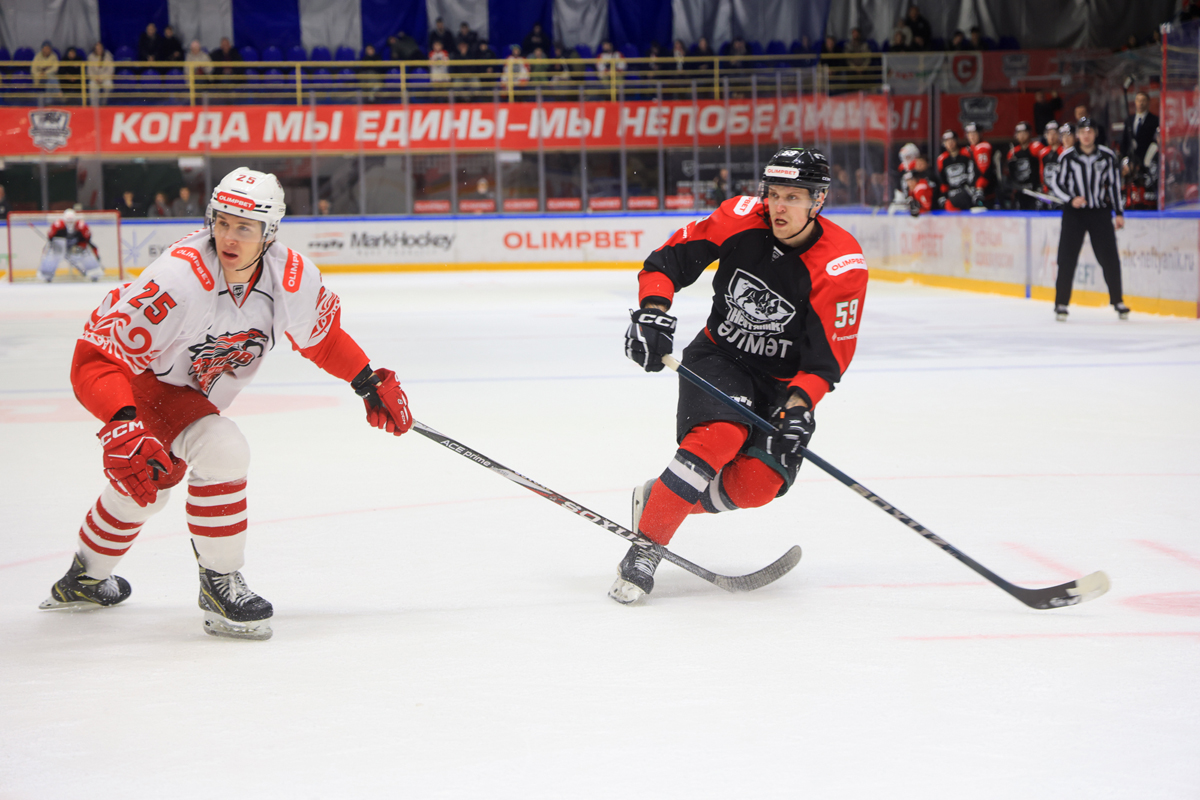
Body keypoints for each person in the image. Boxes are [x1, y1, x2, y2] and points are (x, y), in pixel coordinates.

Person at [38, 167, 414, 640]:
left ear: (269, 232)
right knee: (222, 449)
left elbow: (322, 338)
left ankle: (84, 577)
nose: (230, 237)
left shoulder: (290, 276)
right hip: (142, 381)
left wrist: (366, 380)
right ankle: (220, 584)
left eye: (245, 227)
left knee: (149, 482)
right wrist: (121, 422)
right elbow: (95, 358)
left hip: (185, 392)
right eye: (222, 222)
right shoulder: (179, 279)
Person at [614, 147, 868, 604]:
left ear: (818, 201)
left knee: (757, 485)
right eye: (774, 194)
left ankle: (659, 501)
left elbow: (825, 362)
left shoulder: (840, 266)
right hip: (720, 356)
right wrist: (652, 311)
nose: (779, 207)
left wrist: (799, 407)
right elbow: (665, 263)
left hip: (782, 384)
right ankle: (646, 548)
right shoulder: (740, 217)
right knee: (720, 435)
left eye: (793, 197)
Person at [1045, 117, 1129, 321]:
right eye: (1082, 131)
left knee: (1109, 257)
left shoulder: (1107, 156)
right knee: (1067, 258)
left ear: (1095, 134)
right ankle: (1061, 303)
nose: (1086, 135)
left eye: (1090, 131)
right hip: (1074, 214)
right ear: (1077, 135)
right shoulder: (1067, 157)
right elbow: (1056, 184)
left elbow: (1115, 186)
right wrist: (1070, 199)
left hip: (1099, 212)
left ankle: (1117, 300)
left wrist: (1118, 213)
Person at [38, 209, 103, 282]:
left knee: (86, 253)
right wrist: (57, 247)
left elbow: (87, 241)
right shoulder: (57, 226)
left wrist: (80, 247)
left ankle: (94, 272)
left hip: (75, 250)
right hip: (60, 249)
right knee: (52, 255)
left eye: (71, 221)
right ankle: (46, 274)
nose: (70, 224)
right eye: (68, 221)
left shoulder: (82, 226)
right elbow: (50, 240)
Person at [936, 130, 979, 211]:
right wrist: (943, 195)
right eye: (947, 141)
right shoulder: (942, 159)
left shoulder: (966, 153)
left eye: (952, 140)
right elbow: (943, 181)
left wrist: (972, 189)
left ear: (956, 140)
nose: (950, 143)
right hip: (952, 193)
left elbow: (973, 174)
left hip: (967, 190)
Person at [1006, 121, 1041, 209]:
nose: (1021, 135)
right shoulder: (1013, 153)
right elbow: (1009, 174)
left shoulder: (1036, 147)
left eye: (1024, 132)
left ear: (1029, 133)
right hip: (1020, 191)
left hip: (1035, 190)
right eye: (1019, 133)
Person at [1120, 91, 1159, 166]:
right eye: (1138, 100)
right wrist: (1125, 159)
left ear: (1148, 102)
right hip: (1132, 161)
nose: (1140, 103)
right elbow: (1124, 141)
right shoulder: (1129, 120)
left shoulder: (1154, 120)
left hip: (1147, 160)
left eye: (1143, 100)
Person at [964, 123, 997, 206]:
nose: (972, 137)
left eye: (974, 133)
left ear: (980, 134)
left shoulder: (983, 147)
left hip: (985, 193)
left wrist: (979, 188)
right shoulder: (969, 149)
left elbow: (985, 173)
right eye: (969, 134)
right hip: (973, 191)